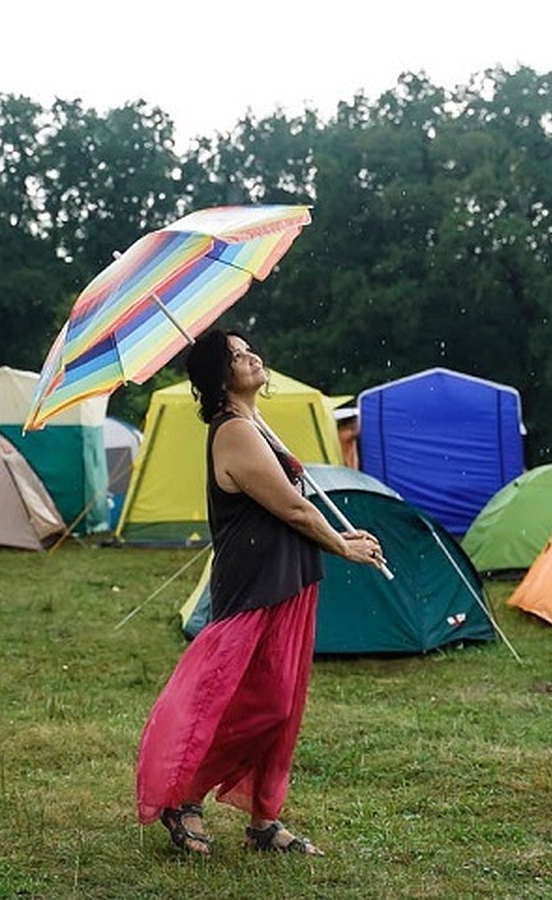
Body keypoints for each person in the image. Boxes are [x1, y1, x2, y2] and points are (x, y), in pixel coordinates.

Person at [135, 329, 386, 856]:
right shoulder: (233, 432)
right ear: (218, 376)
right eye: (234, 354)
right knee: (254, 703)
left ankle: (264, 822)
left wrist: (337, 538)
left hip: (291, 578)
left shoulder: (255, 424)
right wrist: (342, 545)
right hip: (254, 586)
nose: (250, 354)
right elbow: (291, 508)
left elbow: (295, 500)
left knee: (284, 706)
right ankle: (183, 796)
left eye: (249, 347)